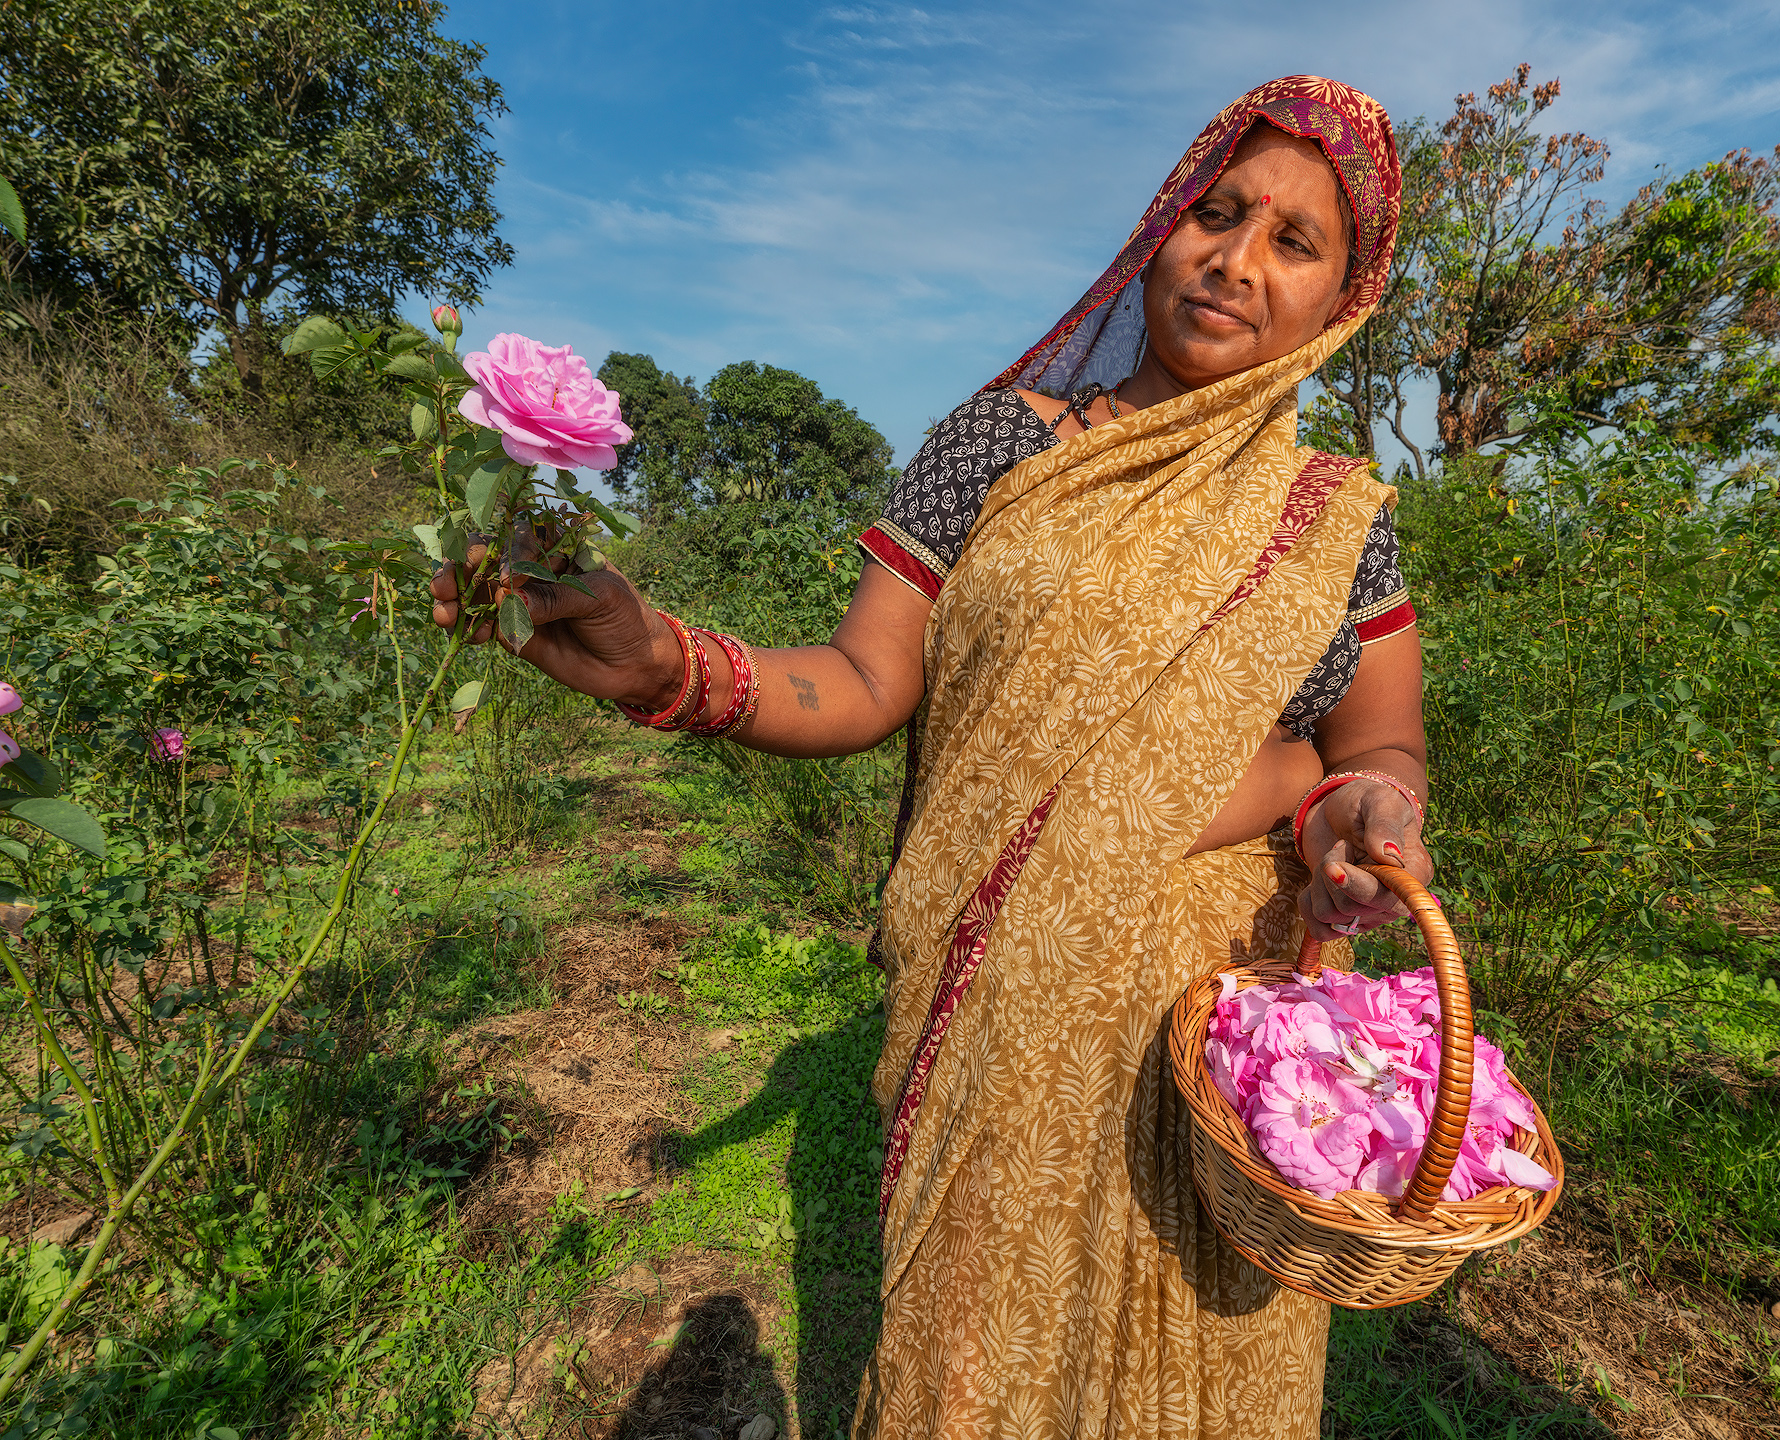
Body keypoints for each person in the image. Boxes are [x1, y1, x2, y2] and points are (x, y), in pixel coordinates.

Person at [433, 74, 1429, 1440]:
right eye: (1217, 209)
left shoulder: (1335, 521)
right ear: (1162, 226)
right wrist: (670, 665)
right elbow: (859, 681)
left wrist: (1366, 805)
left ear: (1340, 303)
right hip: (1000, 1011)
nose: (1235, 258)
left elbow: (1373, 738)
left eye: (1293, 242)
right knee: (976, 1368)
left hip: (1223, 1040)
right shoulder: (996, 450)